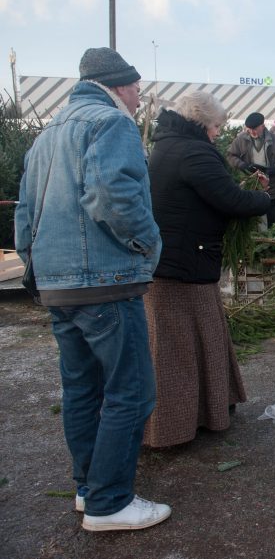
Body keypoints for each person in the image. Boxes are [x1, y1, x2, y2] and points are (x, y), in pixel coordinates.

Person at [14, 47, 171, 531]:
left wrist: (35, 265)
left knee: (83, 390)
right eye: (138, 91)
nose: (139, 101)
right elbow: (112, 195)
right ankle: (109, 503)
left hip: (57, 284)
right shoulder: (111, 123)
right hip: (104, 281)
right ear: (120, 86)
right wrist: (147, 248)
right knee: (131, 393)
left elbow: (23, 211)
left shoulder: (50, 132)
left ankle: (88, 490)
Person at [144, 91, 272, 448]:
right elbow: (230, 199)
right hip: (183, 266)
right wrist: (263, 199)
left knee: (191, 343)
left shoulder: (168, 145)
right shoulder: (194, 152)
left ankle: (204, 411)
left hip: (172, 262)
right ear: (203, 123)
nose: (219, 133)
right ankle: (175, 427)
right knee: (180, 352)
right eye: (216, 126)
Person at [226, 112, 275, 227]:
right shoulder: (241, 138)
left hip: (271, 186)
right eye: (249, 129)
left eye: (255, 129)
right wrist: (242, 165)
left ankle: (274, 243)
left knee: (274, 222)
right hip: (250, 186)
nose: (252, 132)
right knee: (250, 221)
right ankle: (253, 242)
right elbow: (230, 155)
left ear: (262, 125)